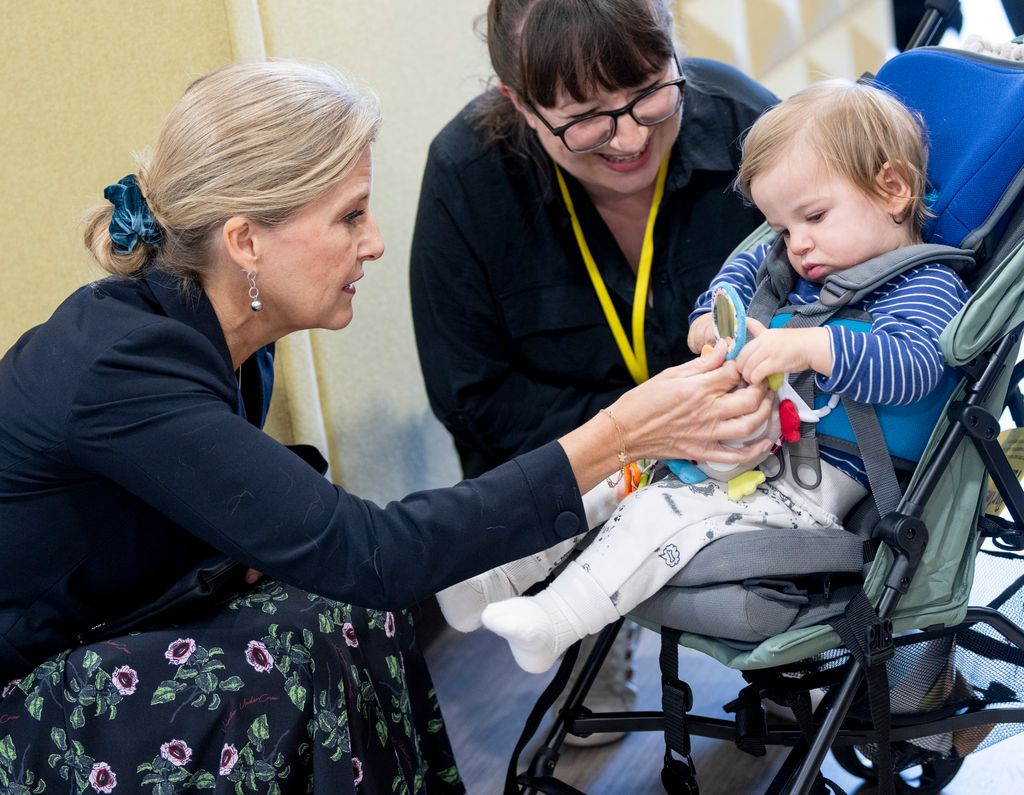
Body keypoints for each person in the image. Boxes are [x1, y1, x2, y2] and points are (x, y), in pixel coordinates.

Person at [0, 61, 771, 792]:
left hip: (102, 621)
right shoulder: (123, 366)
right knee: (293, 650)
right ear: (245, 242)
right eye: (350, 216)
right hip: (23, 689)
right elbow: (375, 552)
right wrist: (623, 432)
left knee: (343, 607)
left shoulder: (221, 341)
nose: (372, 242)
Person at [473, 78, 972, 674]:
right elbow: (746, 265)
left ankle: (556, 620)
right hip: (750, 450)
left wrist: (812, 345)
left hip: (815, 484)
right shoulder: (806, 269)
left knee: (657, 513)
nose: (797, 245)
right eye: (784, 228)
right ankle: (500, 575)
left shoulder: (926, 286)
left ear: (891, 189)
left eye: (812, 217)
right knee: (614, 474)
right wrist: (712, 316)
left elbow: (914, 367)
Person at [409, 0, 776, 739]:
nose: (630, 135)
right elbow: (472, 394)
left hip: (748, 448)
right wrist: (639, 432)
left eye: (647, 91)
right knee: (588, 720)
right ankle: (576, 622)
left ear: (675, 47)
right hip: (576, 469)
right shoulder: (468, 176)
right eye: (585, 117)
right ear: (518, 103)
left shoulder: (745, 124)